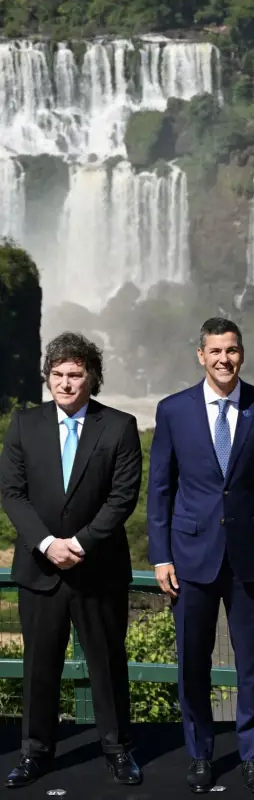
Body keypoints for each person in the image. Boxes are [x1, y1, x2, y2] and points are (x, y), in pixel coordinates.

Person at [147, 317, 254, 794]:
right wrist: (160, 556)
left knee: (253, 663)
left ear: (242, 353)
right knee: (193, 662)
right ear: (200, 356)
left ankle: (252, 755)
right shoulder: (173, 410)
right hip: (189, 558)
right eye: (215, 351)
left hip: (253, 558)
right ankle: (200, 754)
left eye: (231, 350)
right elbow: (161, 491)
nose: (224, 359)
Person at [0, 332, 143, 788]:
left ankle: (119, 750)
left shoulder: (119, 426)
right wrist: (47, 544)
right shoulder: (24, 424)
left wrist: (79, 544)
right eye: (57, 375)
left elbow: (122, 499)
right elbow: (12, 493)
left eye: (75, 375)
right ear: (47, 377)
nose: (65, 384)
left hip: (97, 570)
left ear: (92, 378)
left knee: (107, 665)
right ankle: (35, 753)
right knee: (39, 668)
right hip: (39, 568)